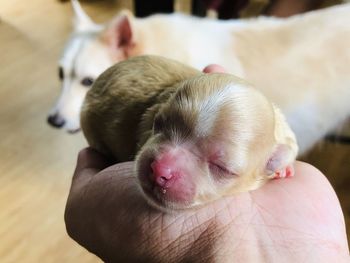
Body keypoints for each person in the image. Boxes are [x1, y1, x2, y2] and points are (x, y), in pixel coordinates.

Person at [64, 65, 349, 262]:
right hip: (99, 108)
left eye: (219, 167)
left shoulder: (275, 152)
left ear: (272, 165)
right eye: (161, 125)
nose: (162, 167)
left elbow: (286, 145)